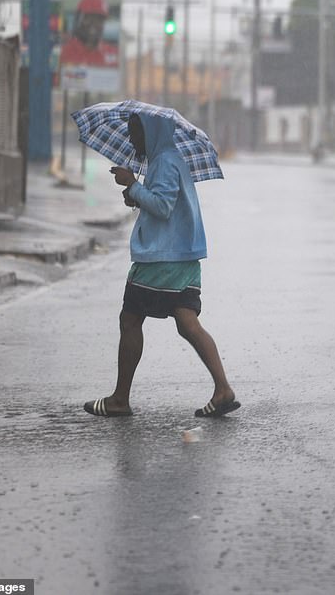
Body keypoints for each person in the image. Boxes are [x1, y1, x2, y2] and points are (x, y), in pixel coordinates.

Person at [83, 113, 240, 418]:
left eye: (136, 133)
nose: (133, 140)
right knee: (187, 323)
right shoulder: (168, 159)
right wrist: (135, 194)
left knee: (130, 320)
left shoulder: (165, 161)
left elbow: (163, 206)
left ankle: (119, 399)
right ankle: (223, 390)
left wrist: (133, 185)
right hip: (182, 256)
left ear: (152, 133)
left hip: (161, 258)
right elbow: (160, 201)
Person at [60, 0, 119, 67]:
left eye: (99, 19)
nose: (94, 24)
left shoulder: (114, 53)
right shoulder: (64, 52)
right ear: (78, 20)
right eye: (88, 18)